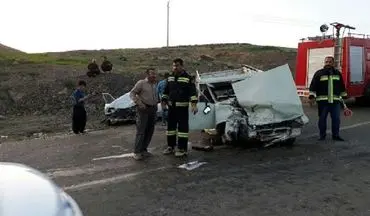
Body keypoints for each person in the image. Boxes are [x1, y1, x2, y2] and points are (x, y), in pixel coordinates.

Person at [161, 58, 198, 157]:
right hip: (172, 108)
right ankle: (171, 147)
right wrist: (164, 102)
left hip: (182, 108)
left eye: (177, 66)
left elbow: (193, 93)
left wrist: (194, 105)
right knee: (170, 129)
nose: (175, 68)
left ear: (182, 66)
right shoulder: (170, 78)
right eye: (173, 66)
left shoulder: (188, 78)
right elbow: (166, 92)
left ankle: (182, 149)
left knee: (182, 130)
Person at [309, 56, 347, 141]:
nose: (328, 63)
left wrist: (344, 95)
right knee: (322, 120)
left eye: (330, 62)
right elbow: (313, 86)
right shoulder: (319, 73)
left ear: (333, 63)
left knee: (336, 120)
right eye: (326, 62)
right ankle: (322, 136)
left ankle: (336, 135)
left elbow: (341, 85)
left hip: (335, 102)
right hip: (323, 102)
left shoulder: (337, 73)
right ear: (324, 63)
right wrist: (311, 97)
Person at [129, 68, 158, 160]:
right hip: (143, 109)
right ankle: (137, 152)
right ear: (147, 75)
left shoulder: (154, 84)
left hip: (153, 109)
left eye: (155, 74)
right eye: (152, 74)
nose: (154, 75)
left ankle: (144, 150)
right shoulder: (141, 83)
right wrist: (139, 103)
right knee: (141, 131)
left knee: (150, 130)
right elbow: (132, 93)